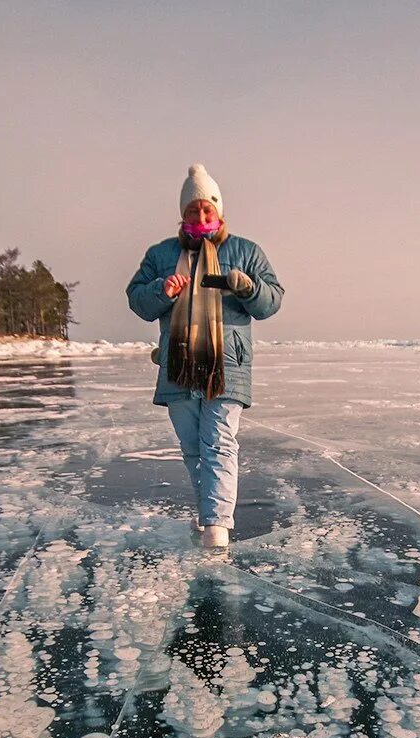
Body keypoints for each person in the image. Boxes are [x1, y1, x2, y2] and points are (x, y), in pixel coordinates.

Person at [126, 164, 284, 550]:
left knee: (219, 441)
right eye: (193, 210)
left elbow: (271, 301)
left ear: (219, 210)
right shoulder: (162, 255)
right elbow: (137, 300)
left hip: (226, 365)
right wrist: (162, 291)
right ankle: (208, 513)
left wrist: (249, 288)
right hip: (178, 363)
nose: (200, 216)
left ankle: (217, 525)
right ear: (183, 214)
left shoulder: (245, 251)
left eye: (207, 209)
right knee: (193, 446)